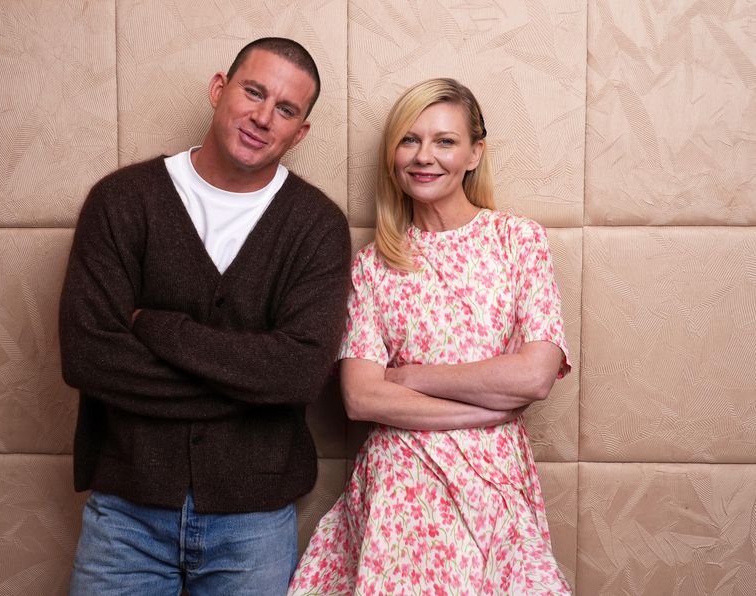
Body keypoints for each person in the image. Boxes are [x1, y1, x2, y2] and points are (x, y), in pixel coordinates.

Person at [59, 37, 351, 595]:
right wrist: (249, 389)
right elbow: (89, 357)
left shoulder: (317, 227)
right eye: (254, 92)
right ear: (220, 90)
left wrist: (156, 327)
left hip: (255, 523)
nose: (264, 117)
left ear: (300, 132)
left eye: (286, 110)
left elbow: (298, 375)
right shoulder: (122, 201)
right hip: (127, 514)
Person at [289, 78, 572, 595]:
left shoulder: (517, 240)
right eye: (409, 140)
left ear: (473, 154)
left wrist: (414, 377)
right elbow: (360, 396)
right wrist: (480, 412)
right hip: (401, 487)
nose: (424, 156)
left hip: (494, 484)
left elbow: (534, 375)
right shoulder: (374, 266)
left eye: (444, 141)